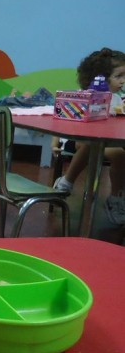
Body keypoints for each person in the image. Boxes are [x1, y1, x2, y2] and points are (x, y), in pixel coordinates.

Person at [52, 47, 125, 225]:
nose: (123, 81)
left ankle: (116, 199)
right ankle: (66, 182)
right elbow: (60, 118)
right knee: (94, 145)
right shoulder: (88, 96)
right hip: (78, 140)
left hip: (105, 141)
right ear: (100, 78)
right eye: (118, 76)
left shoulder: (117, 99)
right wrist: (54, 142)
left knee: (120, 154)